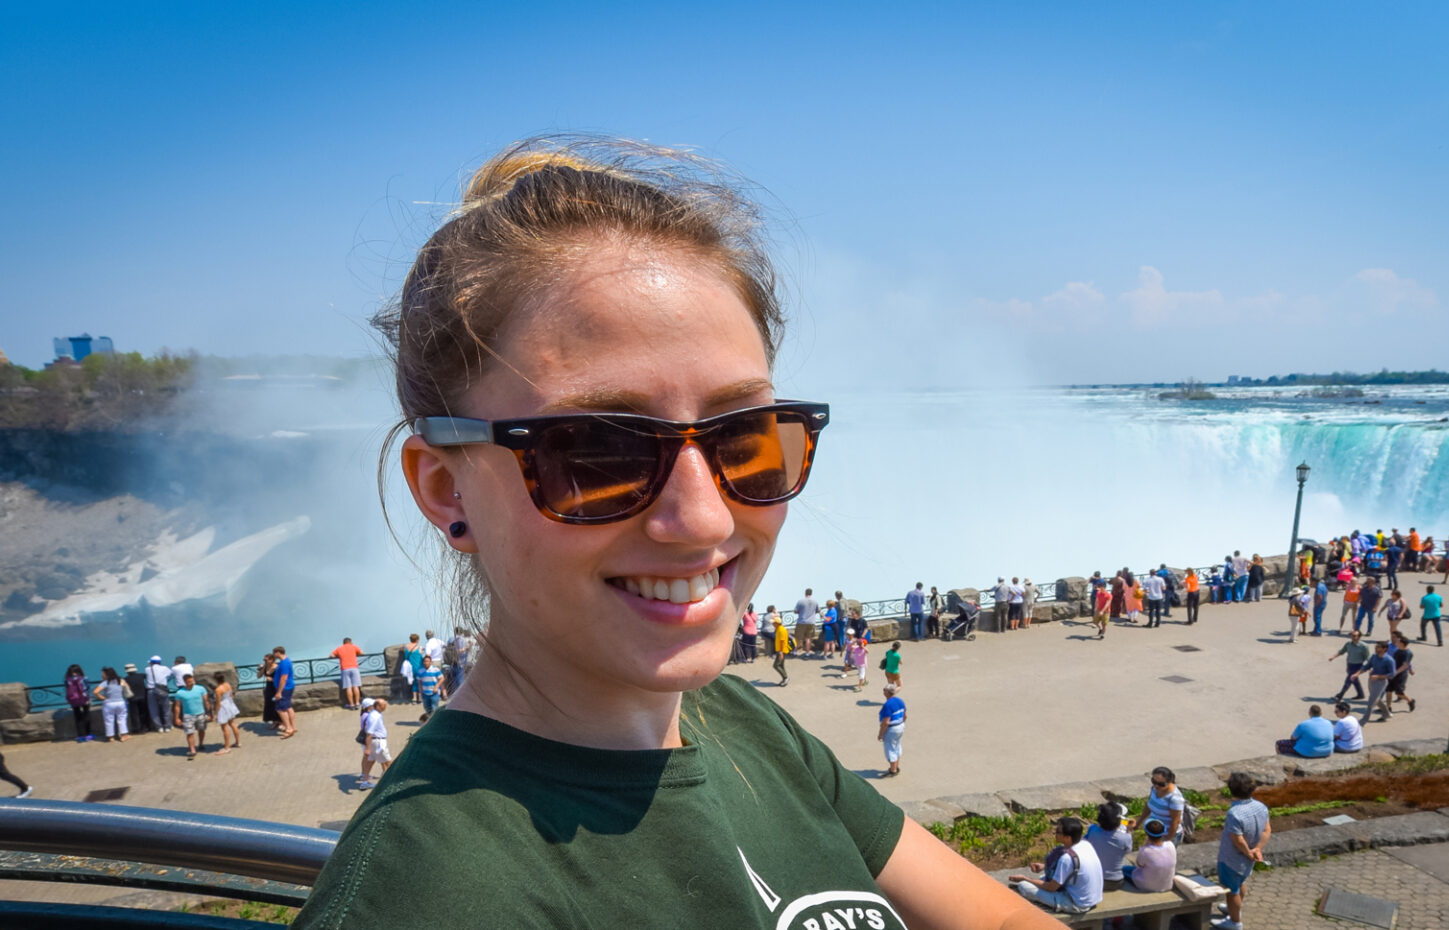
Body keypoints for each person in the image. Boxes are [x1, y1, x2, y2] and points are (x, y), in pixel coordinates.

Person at [294, 140, 1039, 929]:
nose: (705, 519)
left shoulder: (734, 720)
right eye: (596, 452)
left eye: (746, 437)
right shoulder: (429, 895)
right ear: (448, 490)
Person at [1009, 817, 1104, 915]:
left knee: (1024, 886)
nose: (1055, 833)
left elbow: (1051, 888)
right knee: (1042, 879)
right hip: (1093, 898)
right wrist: (1044, 866)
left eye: (1058, 832)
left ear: (1068, 837)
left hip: (1078, 904)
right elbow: (1072, 867)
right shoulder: (1086, 844)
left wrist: (1025, 879)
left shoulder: (1066, 858)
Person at [1212, 773, 1270, 930]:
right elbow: (1266, 830)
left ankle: (1235, 921)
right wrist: (1257, 849)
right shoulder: (1261, 806)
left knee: (1232, 891)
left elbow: (1237, 839)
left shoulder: (1234, 813)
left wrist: (1247, 852)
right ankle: (1235, 910)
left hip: (1232, 858)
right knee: (1241, 882)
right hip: (1248, 859)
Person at [1083, 803, 1132, 892]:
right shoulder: (1125, 837)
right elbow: (1128, 851)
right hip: (1115, 882)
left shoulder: (1092, 829)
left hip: (1094, 880)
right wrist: (1129, 830)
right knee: (1126, 864)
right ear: (1118, 821)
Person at [1121, 819, 1175, 892]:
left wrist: (1145, 845)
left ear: (1146, 833)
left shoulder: (1145, 851)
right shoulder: (1171, 845)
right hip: (1167, 885)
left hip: (1147, 886)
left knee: (1123, 869)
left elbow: (1139, 865)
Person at [1136, 767, 1186, 845]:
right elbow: (1149, 805)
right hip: (1153, 832)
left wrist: (1168, 842)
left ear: (1170, 782)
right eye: (1153, 781)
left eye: (1161, 784)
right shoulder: (1154, 789)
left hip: (1166, 835)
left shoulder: (1175, 798)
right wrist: (1138, 822)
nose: (1156, 786)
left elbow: (1175, 821)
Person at [1353, 641, 1397, 725]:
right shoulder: (1374, 657)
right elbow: (1367, 666)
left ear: (1385, 649)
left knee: (1371, 701)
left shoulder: (1389, 660)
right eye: (1376, 647)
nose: (1376, 648)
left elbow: (1392, 674)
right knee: (1376, 699)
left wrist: (1379, 676)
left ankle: (1363, 721)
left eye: (1378, 647)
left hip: (1381, 683)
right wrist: (1357, 674)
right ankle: (1386, 714)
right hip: (1371, 681)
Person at [172, 672, 211, 759]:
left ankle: (201, 743)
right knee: (190, 733)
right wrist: (176, 718)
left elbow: (206, 701)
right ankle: (192, 749)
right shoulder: (180, 693)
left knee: (201, 730)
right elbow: (177, 706)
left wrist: (209, 713)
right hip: (188, 715)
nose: (191, 683)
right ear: (185, 682)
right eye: (189, 681)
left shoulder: (201, 689)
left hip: (201, 713)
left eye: (192, 681)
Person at [356, 698, 391, 790]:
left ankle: (365, 782)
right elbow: (369, 733)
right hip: (378, 742)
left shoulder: (375, 714)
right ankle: (392, 781)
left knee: (371, 761)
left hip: (375, 741)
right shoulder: (374, 717)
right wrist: (367, 748)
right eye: (384, 705)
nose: (386, 706)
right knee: (389, 762)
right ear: (378, 706)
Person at [92, 667, 131, 743]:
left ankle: (111, 737)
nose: (102, 675)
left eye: (103, 674)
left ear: (107, 675)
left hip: (109, 703)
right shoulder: (120, 680)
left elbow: (95, 692)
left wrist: (103, 698)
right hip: (120, 702)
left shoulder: (105, 683)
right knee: (122, 719)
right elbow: (128, 687)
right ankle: (123, 736)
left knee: (109, 720)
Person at [1329, 630, 1369, 701]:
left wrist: (1371, 667)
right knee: (1354, 680)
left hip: (1358, 665)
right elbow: (1342, 651)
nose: (1353, 637)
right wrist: (1333, 657)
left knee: (1349, 680)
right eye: (1352, 635)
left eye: (1355, 636)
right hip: (1350, 664)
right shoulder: (1348, 644)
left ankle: (1339, 696)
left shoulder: (1364, 646)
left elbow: (1367, 657)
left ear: (1359, 637)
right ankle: (1360, 694)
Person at [877, 684, 906, 777]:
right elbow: (905, 716)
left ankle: (893, 770)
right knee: (897, 746)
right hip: (900, 726)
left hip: (892, 729)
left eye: (884, 690)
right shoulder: (900, 701)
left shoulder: (887, 705)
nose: (883, 692)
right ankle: (896, 766)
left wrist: (880, 734)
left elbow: (886, 722)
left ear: (887, 693)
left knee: (890, 749)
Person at [1385, 631, 1416, 713]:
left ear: (1402, 643)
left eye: (1398, 642)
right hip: (1393, 673)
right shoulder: (1398, 651)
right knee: (1388, 690)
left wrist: (1395, 672)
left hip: (1400, 675)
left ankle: (1410, 701)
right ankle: (1388, 708)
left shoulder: (1408, 653)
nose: (1396, 643)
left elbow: (1405, 665)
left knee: (1399, 693)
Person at [212, 671, 241, 754]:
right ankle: (238, 742)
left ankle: (227, 747)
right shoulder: (227, 684)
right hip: (229, 704)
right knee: (232, 723)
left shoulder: (218, 689)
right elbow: (231, 694)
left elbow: (218, 703)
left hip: (223, 707)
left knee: (224, 727)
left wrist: (215, 713)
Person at [332, 637, 365, 710]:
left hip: (345, 669)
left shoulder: (339, 648)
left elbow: (331, 655)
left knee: (348, 687)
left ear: (343, 643)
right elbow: (362, 653)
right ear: (350, 642)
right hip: (354, 668)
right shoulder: (354, 647)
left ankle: (351, 705)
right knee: (356, 686)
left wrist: (339, 656)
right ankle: (357, 703)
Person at [272, 646, 297, 738]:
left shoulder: (284, 663)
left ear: (278, 652)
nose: (274, 655)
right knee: (288, 707)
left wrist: (279, 692)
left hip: (285, 689)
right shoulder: (285, 661)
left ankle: (288, 729)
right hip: (288, 687)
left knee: (280, 709)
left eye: (274, 653)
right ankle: (293, 727)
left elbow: (284, 678)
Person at [145, 655, 173, 733]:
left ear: (151, 663)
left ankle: (159, 727)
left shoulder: (147, 669)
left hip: (151, 690)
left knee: (153, 710)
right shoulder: (165, 668)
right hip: (162, 690)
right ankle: (167, 726)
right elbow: (171, 674)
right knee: (166, 709)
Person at [65, 664, 92, 742]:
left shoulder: (67, 680)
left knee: (77, 717)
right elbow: (88, 687)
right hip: (84, 699)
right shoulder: (84, 678)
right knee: (86, 715)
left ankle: (80, 735)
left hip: (74, 700)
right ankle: (88, 734)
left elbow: (67, 689)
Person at [123, 662, 150, 733]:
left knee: (134, 714)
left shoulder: (125, 679)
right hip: (143, 697)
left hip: (132, 698)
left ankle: (136, 728)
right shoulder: (141, 676)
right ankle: (145, 727)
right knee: (143, 713)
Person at [793, 588, 820, 657]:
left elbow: (795, 611)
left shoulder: (801, 601)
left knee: (798, 638)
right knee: (808, 638)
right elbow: (818, 610)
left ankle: (795, 651)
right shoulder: (815, 601)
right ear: (811, 593)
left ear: (805, 593)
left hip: (801, 621)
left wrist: (801, 612)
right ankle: (807, 652)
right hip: (811, 622)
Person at [417, 654, 444, 718]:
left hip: (434, 693)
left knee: (434, 709)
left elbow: (442, 678)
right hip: (425, 693)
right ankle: (429, 722)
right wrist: (420, 690)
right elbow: (419, 681)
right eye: (425, 661)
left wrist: (436, 687)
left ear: (431, 662)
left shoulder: (435, 670)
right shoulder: (420, 671)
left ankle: (435, 722)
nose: (426, 663)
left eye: (427, 661)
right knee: (427, 709)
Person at [400, 633, 424, 700]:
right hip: (418, 666)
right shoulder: (419, 647)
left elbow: (402, 650)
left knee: (412, 681)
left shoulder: (406, 647)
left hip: (409, 668)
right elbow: (421, 654)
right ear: (417, 640)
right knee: (419, 681)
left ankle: (414, 697)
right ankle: (420, 697)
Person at [770, 606, 790, 686]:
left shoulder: (781, 630)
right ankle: (785, 678)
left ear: (777, 623)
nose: (773, 624)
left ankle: (785, 677)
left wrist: (780, 652)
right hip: (781, 650)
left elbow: (782, 642)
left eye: (774, 623)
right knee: (781, 665)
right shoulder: (779, 629)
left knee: (776, 665)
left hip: (782, 651)